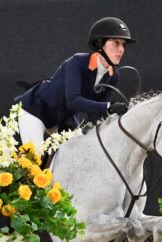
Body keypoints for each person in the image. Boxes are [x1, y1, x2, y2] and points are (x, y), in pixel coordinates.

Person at [15, 17, 135, 147]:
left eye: (123, 44)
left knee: (84, 153)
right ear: (100, 44)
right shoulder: (77, 62)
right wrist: (108, 107)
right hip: (36, 111)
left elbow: (95, 113)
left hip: (64, 120)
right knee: (35, 160)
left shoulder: (114, 75)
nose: (121, 49)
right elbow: (72, 101)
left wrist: (114, 122)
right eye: (116, 43)